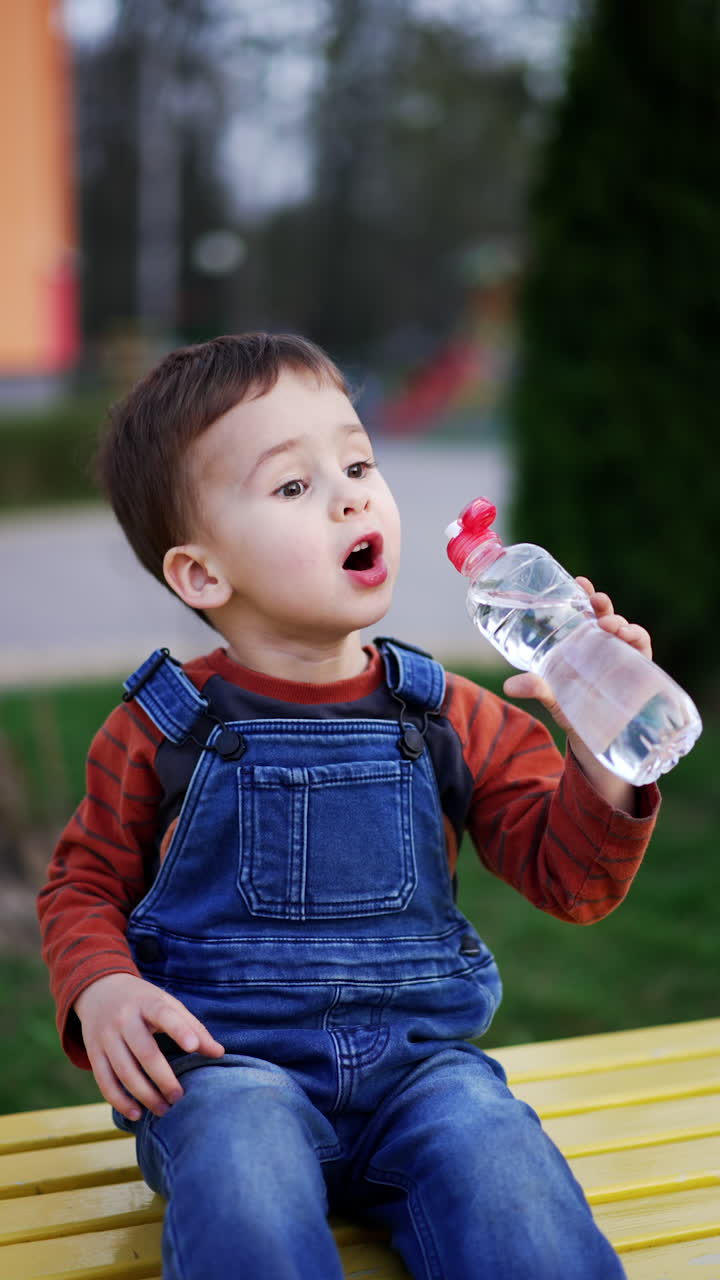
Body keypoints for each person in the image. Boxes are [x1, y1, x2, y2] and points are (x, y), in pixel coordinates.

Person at [38, 332, 659, 1280]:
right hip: (226, 1072)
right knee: (241, 1164)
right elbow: (83, 879)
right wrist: (100, 985)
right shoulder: (161, 726)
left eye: (359, 461)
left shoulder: (448, 711)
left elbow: (571, 881)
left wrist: (604, 750)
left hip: (423, 1077)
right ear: (202, 573)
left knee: (499, 1157)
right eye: (294, 486)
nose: (353, 494)